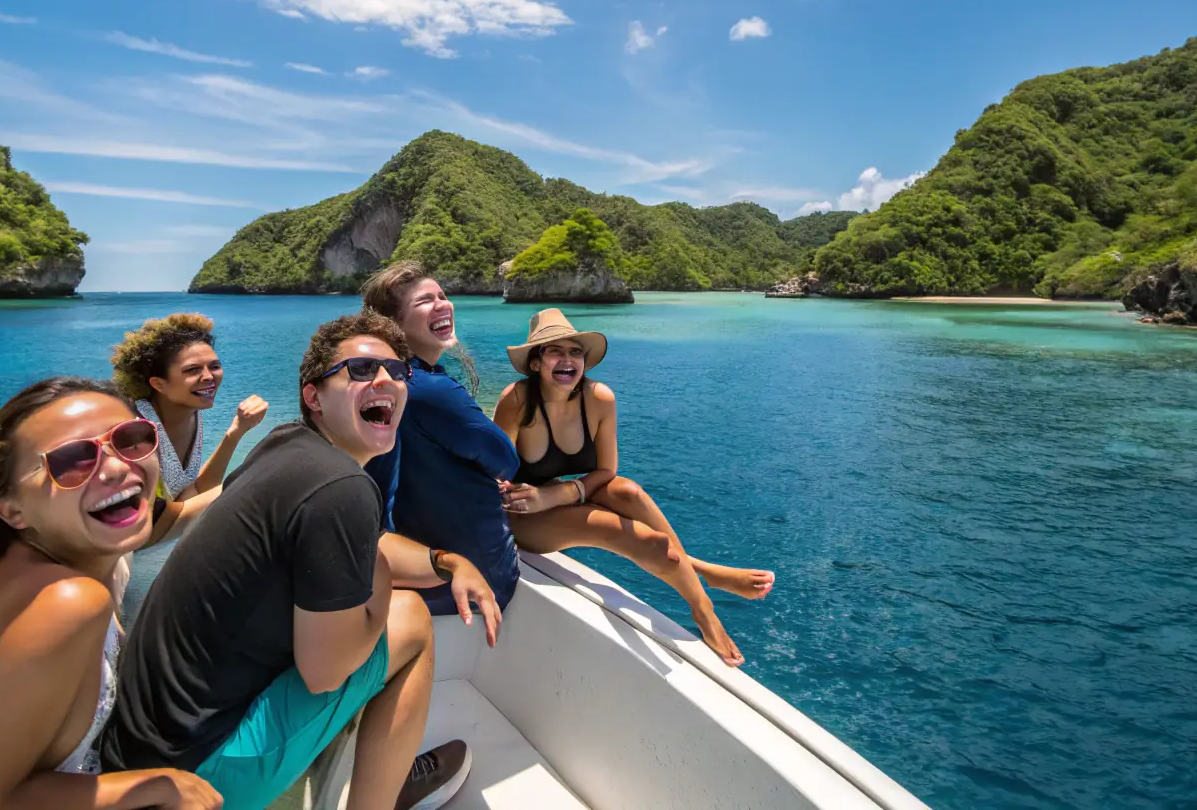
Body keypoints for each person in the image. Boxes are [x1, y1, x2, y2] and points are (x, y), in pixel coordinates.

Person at [101, 312, 483, 810]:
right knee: (409, 621)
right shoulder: (342, 488)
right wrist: (385, 582)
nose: (387, 379)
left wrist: (444, 561)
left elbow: (356, 545)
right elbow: (326, 671)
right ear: (313, 396)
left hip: (138, 749)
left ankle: (363, 763)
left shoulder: (283, 446)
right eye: (362, 369)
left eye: (398, 371)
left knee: (346, 617)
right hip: (200, 776)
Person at [0, 376, 224, 810]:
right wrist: (161, 785)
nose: (117, 467)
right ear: (12, 509)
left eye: (131, 439)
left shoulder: (6, 565)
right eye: (73, 461)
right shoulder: (66, 604)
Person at [492, 309, 776, 668]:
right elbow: (492, 474)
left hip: (553, 495)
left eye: (575, 352)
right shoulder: (518, 400)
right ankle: (704, 607)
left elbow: (607, 471)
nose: (567, 360)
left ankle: (700, 578)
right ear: (535, 363)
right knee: (644, 541)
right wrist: (531, 497)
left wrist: (557, 494)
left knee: (629, 492)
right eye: (554, 351)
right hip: (521, 514)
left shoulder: (598, 399)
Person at [362, 263, 522, 616]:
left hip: (405, 564)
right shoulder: (428, 389)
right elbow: (506, 460)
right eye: (425, 301)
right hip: (475, 580)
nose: (442, 305)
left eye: (443, 296)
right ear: (394, 324)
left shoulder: (374, 382)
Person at [111, 312, 268, 500]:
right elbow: (161, 517)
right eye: (193, 370)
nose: (209, 376)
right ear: (158, 384)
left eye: (214, 366)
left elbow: (194, 492)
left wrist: (236, 432)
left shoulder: (192, 412)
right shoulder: (136, 433)